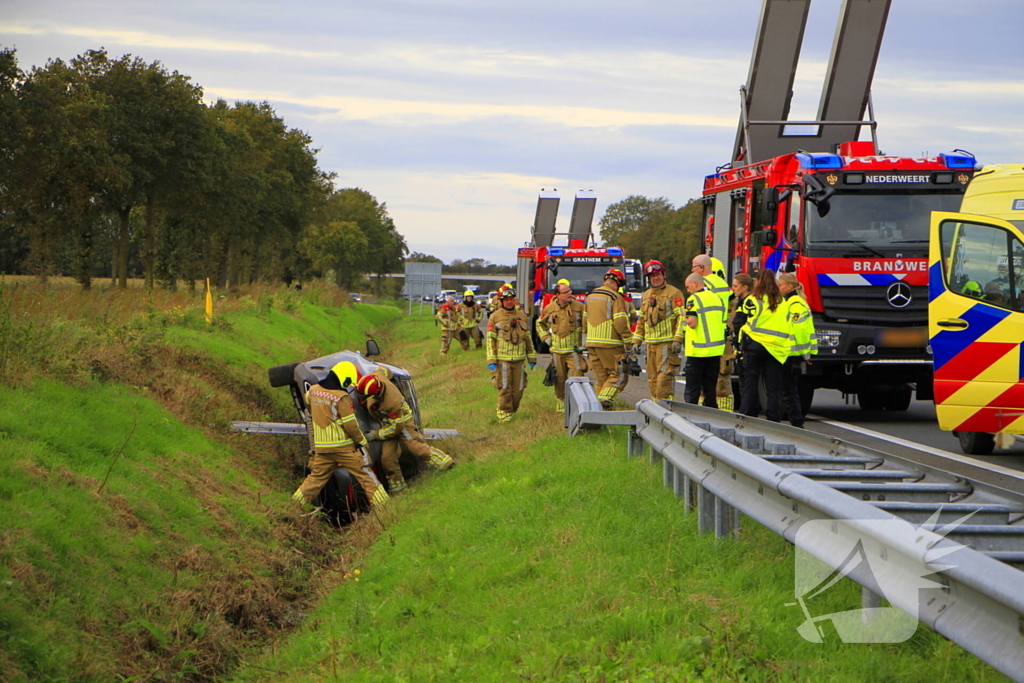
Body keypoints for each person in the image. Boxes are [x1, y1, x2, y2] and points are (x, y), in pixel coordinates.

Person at [292, 361, 389, 510]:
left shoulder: (313, 391)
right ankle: (386, 507)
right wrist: (361, 440)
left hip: (322, 448)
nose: (348, 385)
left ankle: (292, 505)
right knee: (365, 475)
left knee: (315, 479)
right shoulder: (342, 397)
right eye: (349, 381)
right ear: (343, 377)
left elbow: (308, 401)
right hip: (342, 447)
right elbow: (350, 424)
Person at [356, 368, 453, 494]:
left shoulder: (392, 402)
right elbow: (385, 370)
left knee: (415, 447)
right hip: (387, 424)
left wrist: (376, 434)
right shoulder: (376, 375)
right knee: (387, 459)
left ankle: (447, 464)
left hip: (401, 423)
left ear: (376, 394)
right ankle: (399, 489)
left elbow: (396, 429)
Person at [739, 270, 790, 422]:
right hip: (775, 348)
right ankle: (773, 419)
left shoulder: (753, 299)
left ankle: (746, 416)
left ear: (758, 282)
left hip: (754, 345)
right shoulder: (782, 301)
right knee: (773, 387)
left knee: (750, 383)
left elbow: (742, 320)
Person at [631, 259, 685, 401]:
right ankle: (657, 411)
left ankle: (667, 411)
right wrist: (636, 341)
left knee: (664, 380)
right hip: (650, 345)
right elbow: (641, 321)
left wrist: (678, 339)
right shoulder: (646, 295)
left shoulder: (674, 293)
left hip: (667, 344)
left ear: (664, 275)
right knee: (652, 380)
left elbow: (682, 318)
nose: (656, 278)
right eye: (652, 276)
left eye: (658, 275)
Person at [584, 268, 633, 408]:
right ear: (616, 283)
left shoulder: (590, 296)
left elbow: (584, 321)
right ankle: (602, 401)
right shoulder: (615, 297)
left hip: (591, 343)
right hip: (610, 344)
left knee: (603, 379)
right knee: (619, 375)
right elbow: (620, 322)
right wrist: (628, 341)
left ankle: (600, 412)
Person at [487, 287, 536, 422]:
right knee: (504, 388)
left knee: (518, 389)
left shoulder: (522, 316)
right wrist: (491, 360)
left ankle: (511, 411)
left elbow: (527, 338)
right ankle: (504, 414)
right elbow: (490, 340)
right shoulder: (495, 317)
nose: (509, 302)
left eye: (511, 299)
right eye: (506, 300)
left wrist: (531, 356)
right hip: (503, 360)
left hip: (519, 360)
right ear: (501, 301)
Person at [536, 281, 586, 413]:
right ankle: (561, 405)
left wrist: (585, 345)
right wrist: (546, 338)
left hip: (574, 352)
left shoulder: (580, 307)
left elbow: (588, 326)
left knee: (578, 377)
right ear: (558, 295)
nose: (570, 294)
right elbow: (539, 323)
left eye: (570, 291)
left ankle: (579, 405)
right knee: (559, 379)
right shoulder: (549, 308)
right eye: (566, 292)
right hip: (557, 352)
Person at [778, 273, 816, 428]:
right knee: (788, 389)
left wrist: (805, 354)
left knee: (789, 390)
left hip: (792, 354)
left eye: (780, 284)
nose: (778, 287)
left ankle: (797, 421)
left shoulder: (795, 305)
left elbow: (800, 332)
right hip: (790, 353)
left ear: (789, 286)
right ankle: (796, 420)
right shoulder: (790, 302)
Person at [682, 273, 727, 407]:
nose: (688, 290)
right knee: (710, 389)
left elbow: (692, 323)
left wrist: (683, 314)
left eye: (688, 287)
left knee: (693, 390)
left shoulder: (693, 299)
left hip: (698, 350)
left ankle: (691, 418)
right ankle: (711, 417)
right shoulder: (717, 298)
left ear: (695, 284)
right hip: (715, 350)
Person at [728, 273, 755, 411]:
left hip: (747, 347)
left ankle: (748, 412)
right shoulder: (740, 302)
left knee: (747, 384)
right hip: (741, 347)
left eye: (736, 286)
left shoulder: (750, 302)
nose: (733, 289)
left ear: (745, 287)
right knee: (743, 383)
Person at [691, 254, 731, 320]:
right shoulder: (723, 283)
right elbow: (733, 303)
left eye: (694, 267)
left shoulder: (701, 283)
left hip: (705, 324)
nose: (692, 270)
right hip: (721, 325)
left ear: (701, 268)